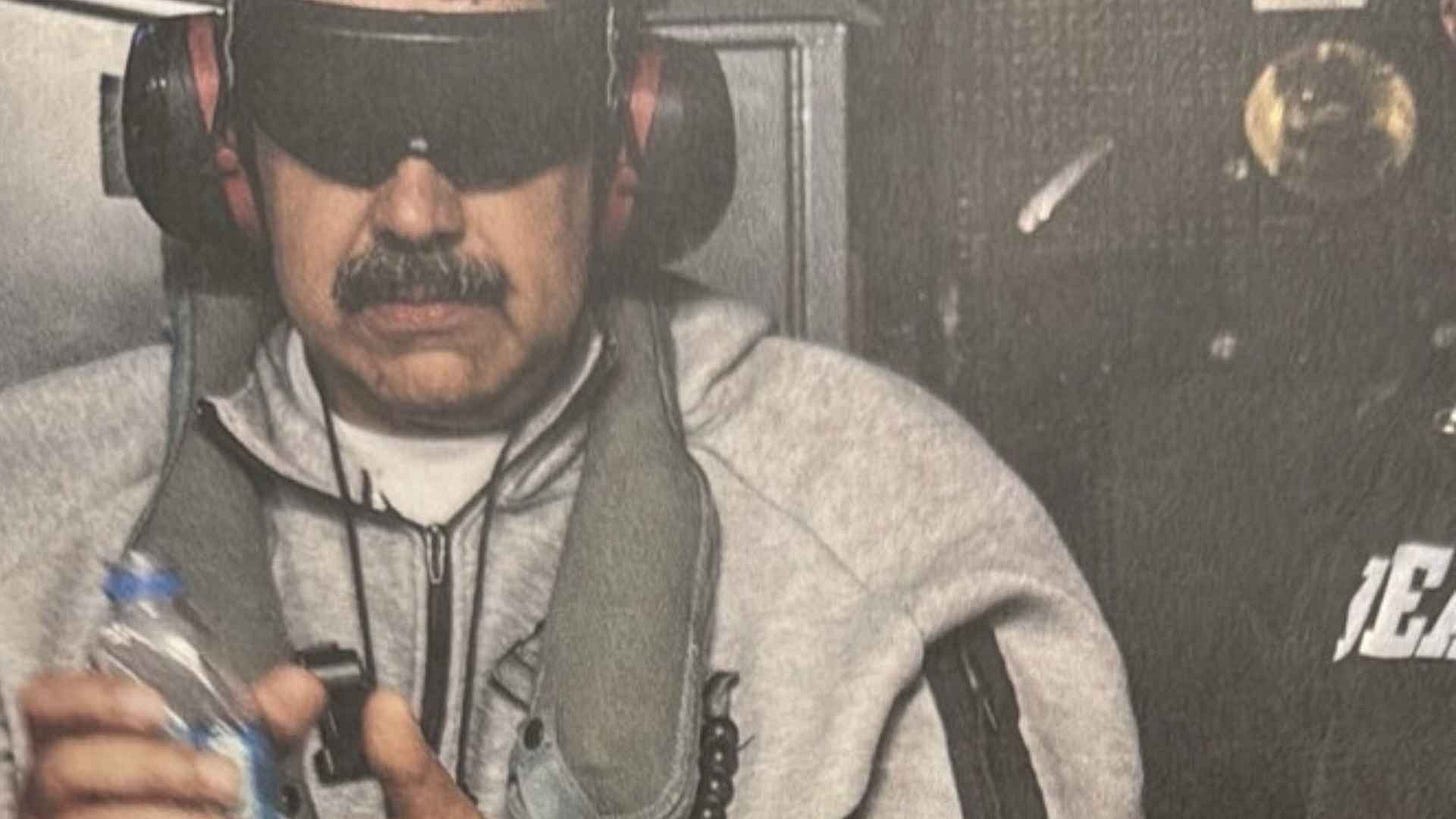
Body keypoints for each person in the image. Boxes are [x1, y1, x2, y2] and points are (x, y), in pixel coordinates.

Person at [0, 0, 1142, 816]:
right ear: (223, 142)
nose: (415, 212)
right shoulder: (23, 515)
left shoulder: (905, 541)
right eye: (339, 102)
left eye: (498, 108)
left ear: (632, 142)